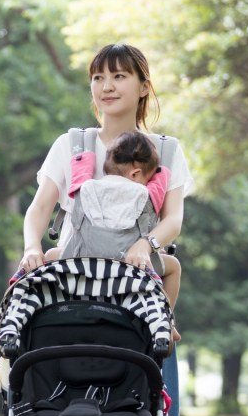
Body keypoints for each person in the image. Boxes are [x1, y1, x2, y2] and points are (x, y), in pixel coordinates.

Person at [19, 43, 194, 416]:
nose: (107, 86)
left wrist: (148, 245)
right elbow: (41, 209)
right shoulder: (71, 145)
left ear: (143, 86)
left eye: (119, 76)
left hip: (139, 315)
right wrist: (32, 247)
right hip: (72, 305)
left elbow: (173, 218)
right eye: (98, 77)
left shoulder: (166, 150)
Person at [42, 130, 183, 313]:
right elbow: (161, 184)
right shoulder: (145, 194)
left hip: (83, 258)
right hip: (130, 262)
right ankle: (166, 319)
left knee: (49, 256)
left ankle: (47, 310)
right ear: (135, 174)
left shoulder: (85, 187)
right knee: (174, 267)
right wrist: (158, 172)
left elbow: (79, 173)